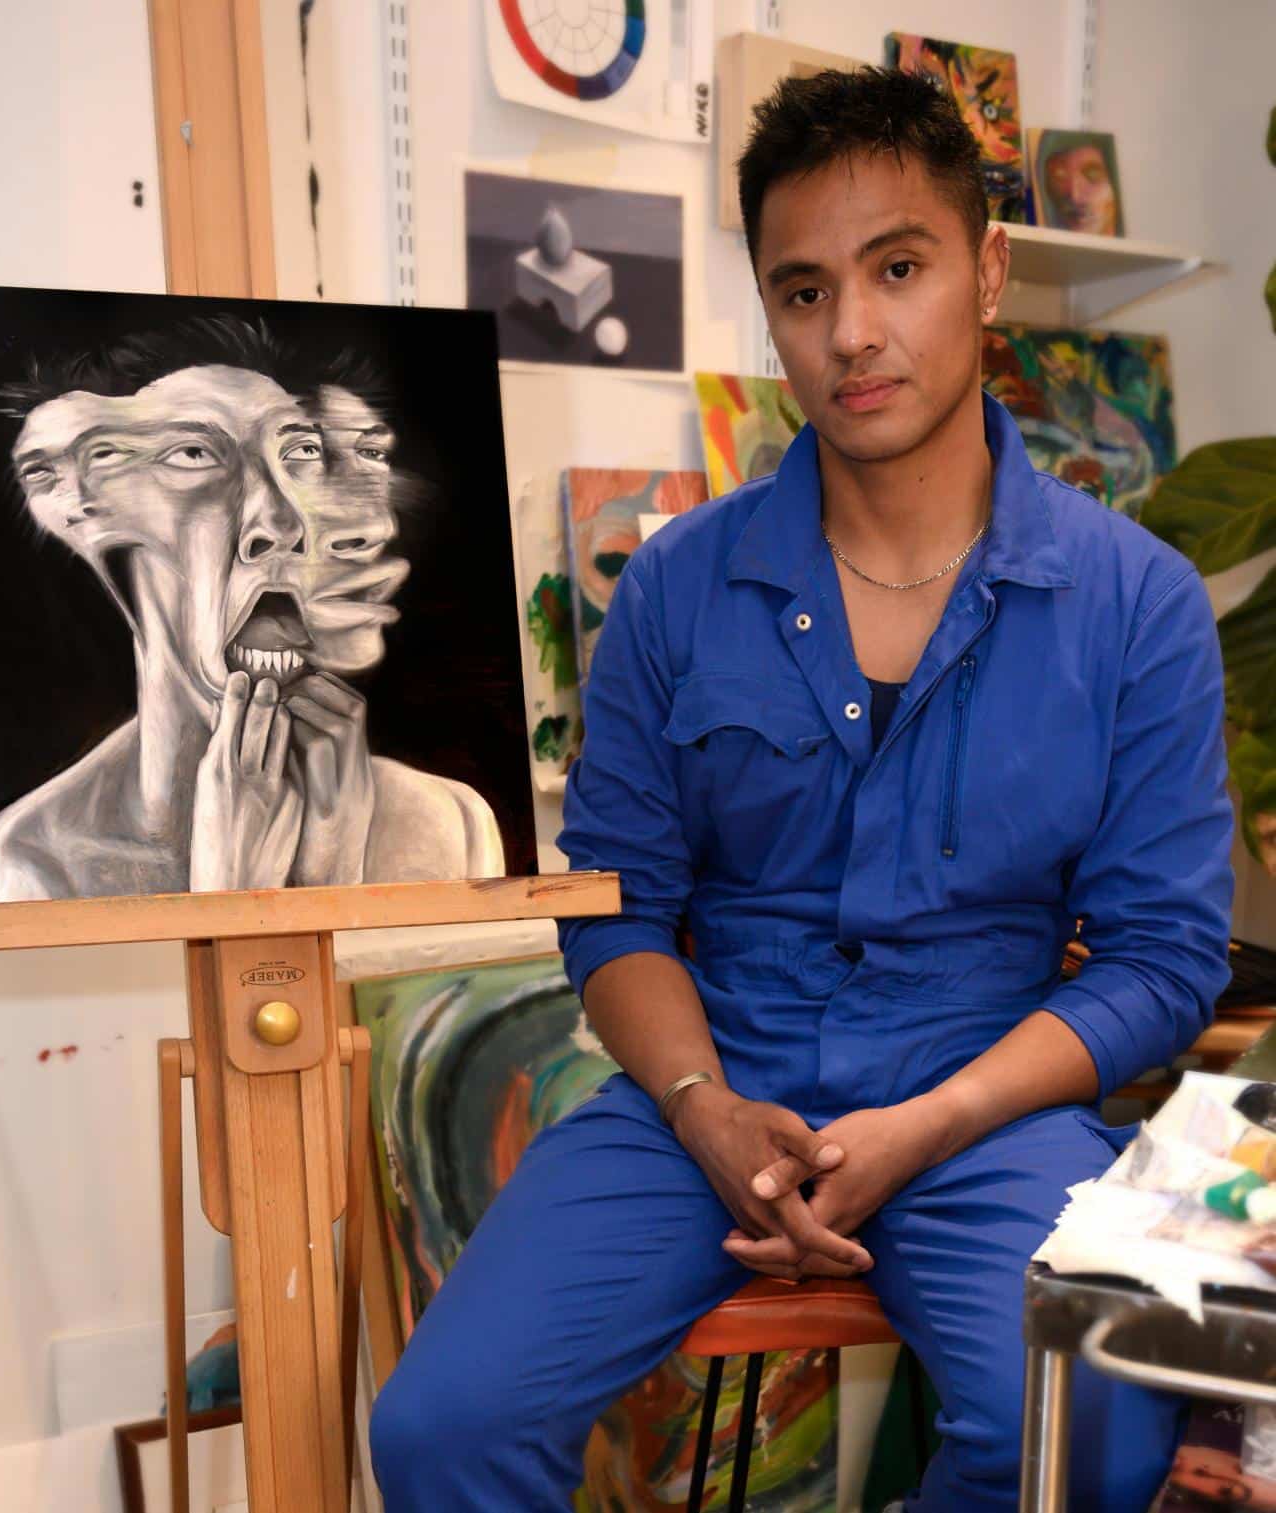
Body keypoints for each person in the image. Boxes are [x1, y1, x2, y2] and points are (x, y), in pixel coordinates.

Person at [369, 67, 1233, 1511]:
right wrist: (701, 1105)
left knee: (1094, 1433)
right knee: (439, 1425)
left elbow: (1162, 957)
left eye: (898, 268)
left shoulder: (1134, 602)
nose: (852, 333)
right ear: (769, 311)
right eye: (804, 289)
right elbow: (619, 906)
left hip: (985, 1107)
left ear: (988, 271)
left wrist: (933, 1121)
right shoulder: (673, 586)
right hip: (708, 1097)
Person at [0, 317, 503, 900]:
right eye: (194, 454)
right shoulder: (39, 859)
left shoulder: (448, 825)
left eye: (297, 452)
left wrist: (330, 872)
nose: (285, 522)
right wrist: (232, 895)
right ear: (77, 505)